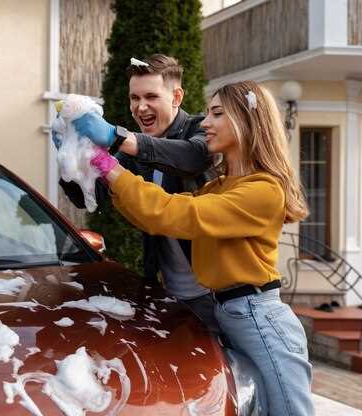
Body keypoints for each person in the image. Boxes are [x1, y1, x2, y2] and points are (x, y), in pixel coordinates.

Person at [76, 80, 314, 416]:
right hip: (230, 312)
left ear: (246, 121)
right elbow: (156, 218)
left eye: (217, 113)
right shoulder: (220, 186)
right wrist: (103, 170)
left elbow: (174, 213)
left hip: (260, 317)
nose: (204, 122)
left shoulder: (263, 190)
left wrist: (111, 165)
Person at [58, 54, 220, 334]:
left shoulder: (201, 129)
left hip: (216, 295)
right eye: (134, 98)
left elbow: (194, 158)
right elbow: (90, 198)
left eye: (151, 97)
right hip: (166, 292)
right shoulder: (135, 149)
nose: (140, 107)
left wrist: (119, 138)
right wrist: (68, 158)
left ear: (177, 97)